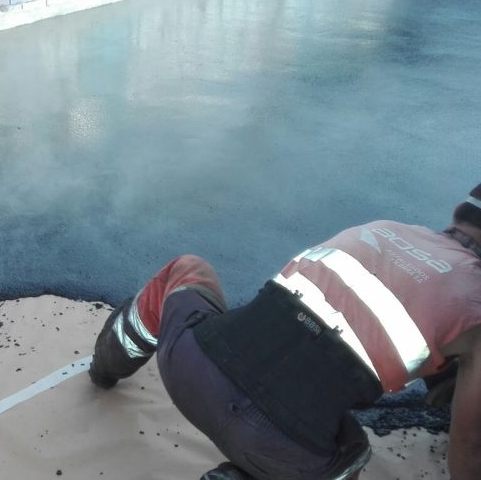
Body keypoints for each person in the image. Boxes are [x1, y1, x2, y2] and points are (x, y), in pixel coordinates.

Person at [88, 184, 481, 480]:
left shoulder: (383, 228)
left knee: (187, 268)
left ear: (457, 213)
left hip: (191, 370)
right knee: (353, 451)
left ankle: (105, 367)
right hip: (280, 445)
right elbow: (468, 444)